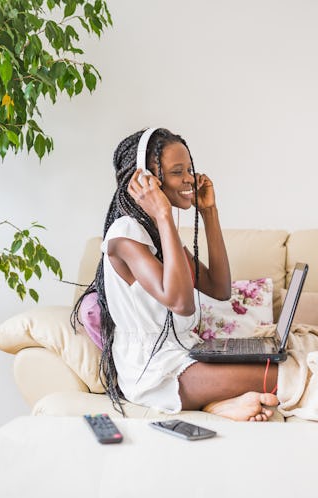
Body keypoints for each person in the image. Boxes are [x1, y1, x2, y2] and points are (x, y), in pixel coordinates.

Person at [73, 128, 279, 421]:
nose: (189, 179)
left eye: (189, 169)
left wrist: (209, 213)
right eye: (177, 171)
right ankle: (212, 402)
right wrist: (163, 214)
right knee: (282, 375)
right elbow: (181, 302)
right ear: (146, 181)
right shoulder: (126, 234)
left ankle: (215, 405)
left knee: (285, 362)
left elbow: (219, 288)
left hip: (184, 352)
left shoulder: (157, 233)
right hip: (155, 370)